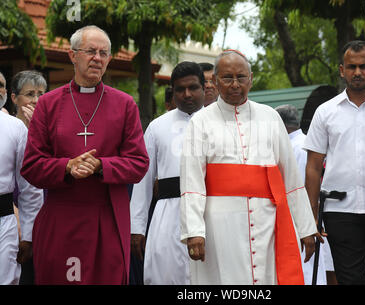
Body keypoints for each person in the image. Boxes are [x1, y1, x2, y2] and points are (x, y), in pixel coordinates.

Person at [20, 25, 149, 285]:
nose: (98, 58)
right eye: (90, 51)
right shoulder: (48, 104)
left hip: (108, 217)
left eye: (104, 53)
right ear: (72, 55)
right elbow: (31, 166)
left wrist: (101, 166)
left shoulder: (125, 104)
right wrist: (67, 167)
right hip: (61, 217)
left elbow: (139, 163)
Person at [180, 50, 318, 285]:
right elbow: (192, 183)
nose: (235, 84)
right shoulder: (200, 121)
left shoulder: (270, 118)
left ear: (251, 79)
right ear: (214, 80)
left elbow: (291, 179)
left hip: (267, 223)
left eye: (241, 77)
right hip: (219, 225)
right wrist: (194, 231)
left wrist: (306, 227)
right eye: (227, 78)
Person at [304, 40, 365, 285]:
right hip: (340, 214)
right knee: (350, 280)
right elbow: (313, 168)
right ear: (341, 70)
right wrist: (310, 217)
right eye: (351, 67)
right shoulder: (326, 111)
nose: (357, 72)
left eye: (363, 66)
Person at [131, 61, 204, 285]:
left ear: (204, 88)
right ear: (172, 91)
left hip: (209, 212)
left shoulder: (219, 123)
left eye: (193, 87)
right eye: (180, 89)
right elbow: (143, 179)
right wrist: (136, 227)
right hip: (168, 215)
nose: (187, 94)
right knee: (166, 275)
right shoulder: (157, 127)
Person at [275, 104, 327, 285]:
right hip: (311, 213)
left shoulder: (286, 148)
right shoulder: (308, 144)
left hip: (297, 215)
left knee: (304, 266)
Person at [0, 71, 44, 285]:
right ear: (15, 98)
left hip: (10, 221)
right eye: (30, 94)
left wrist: (28, 232)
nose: (36, 100)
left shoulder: (18, 128)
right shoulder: (15, 126)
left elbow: (31, 187)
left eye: (41, 94)